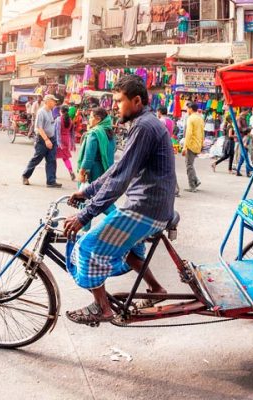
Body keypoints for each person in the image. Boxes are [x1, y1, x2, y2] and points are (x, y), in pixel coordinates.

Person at [63, 74, 176, 325]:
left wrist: (85, 214)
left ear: (136, 101)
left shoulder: (144, 127)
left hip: (146, 208)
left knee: (88, 247)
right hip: (151, 205)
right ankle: (156, 289)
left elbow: (120, 179)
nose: (115, 107)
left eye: (119, 101)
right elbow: (117, 168)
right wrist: (88, 190)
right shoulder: (143, 124)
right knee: (128, 251)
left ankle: (102, 308)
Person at [22, 95, 61, 188]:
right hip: (42, 139)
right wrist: (46, 140)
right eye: (53, 101)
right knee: (37, 158)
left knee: (51, 160)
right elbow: (39, 128)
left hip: (51, 138)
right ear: (47, 101)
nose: (55, 103)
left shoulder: (50, 111)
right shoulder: (41, 112)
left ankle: (51, 181)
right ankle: (25, 176)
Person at [77, 107, 116, 186]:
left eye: (91, 117)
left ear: (98, 119)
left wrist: (81, 172)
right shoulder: (110, 132)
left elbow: (88, 157)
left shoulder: (94, 133)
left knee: (89, 195)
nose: (89, 120)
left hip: (94, 172)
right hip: (107, 171)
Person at [182, 103, 204, 193]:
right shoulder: (200, 118)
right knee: (190, 164)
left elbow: (188, 134)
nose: (187, 110)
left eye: (187, 109)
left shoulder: (190, 118)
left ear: (190, 109)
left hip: (191, 144)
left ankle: (192, 186)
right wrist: (201, 144)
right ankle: (196, 180)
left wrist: (184, 147)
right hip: (198, 144)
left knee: (189, 165)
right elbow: (203, 132)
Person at [55, 105, 76, 181]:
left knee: (54, 157)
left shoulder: (58, 119)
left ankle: (53, 173)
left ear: (61, 111)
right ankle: (71, 171)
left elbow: (56, 131)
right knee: (66, 158)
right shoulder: (70, 120)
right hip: (66, 140)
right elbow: (72, 132)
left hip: (59, 140)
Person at [235, 108, 252, 177]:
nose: (248, 113)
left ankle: (238, 171)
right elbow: (239, 127)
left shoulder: (243, 118)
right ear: (245, 111)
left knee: (242, 159)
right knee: (246, 159)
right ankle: (248, 172)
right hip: (242, 137)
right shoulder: (240, 118)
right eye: (248, 111)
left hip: (243, 137)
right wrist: (247, 129)